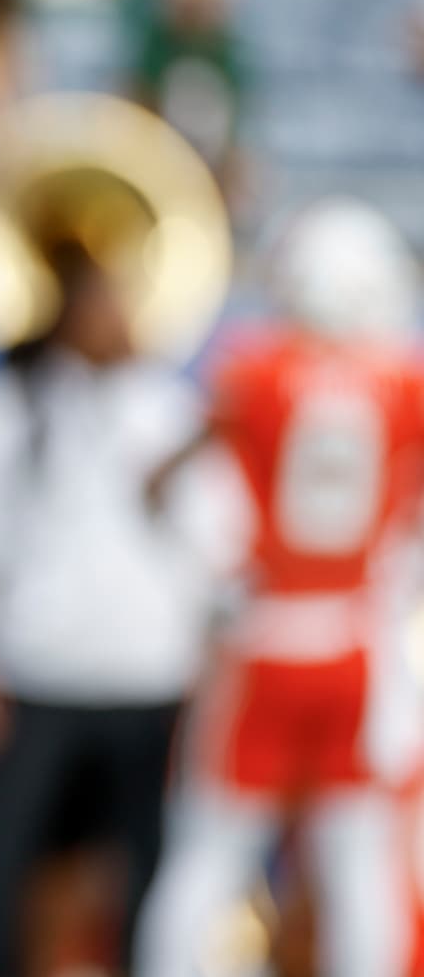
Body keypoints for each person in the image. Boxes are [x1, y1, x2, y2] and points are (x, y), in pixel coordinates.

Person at [0, 244, 250, 977]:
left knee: (141, 887)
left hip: (147, 687)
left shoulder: (174, 413)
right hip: (33, 683)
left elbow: (218, 556)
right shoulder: (11, 412)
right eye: (100, 301)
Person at [136, 198, 424, 977]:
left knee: (209, 856)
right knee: (360, 863)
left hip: (264, 638)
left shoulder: (253, 373)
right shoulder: (404, 386)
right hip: (356, 645)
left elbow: (170, 486)